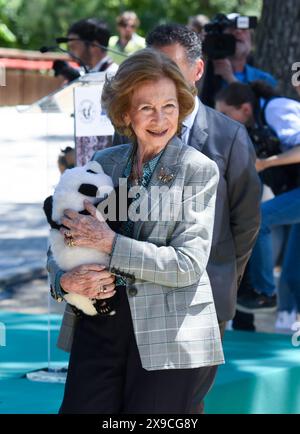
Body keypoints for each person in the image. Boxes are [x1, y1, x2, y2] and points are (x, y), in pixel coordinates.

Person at [47, 48, 224, 414]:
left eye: (169, 106)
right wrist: (65, 281)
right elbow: (59, 239)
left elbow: (187, 264)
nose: (160, 119)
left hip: (168, 335)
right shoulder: (103, 165)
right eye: (147, 108)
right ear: (126, 113)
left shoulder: (198, 170)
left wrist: (109, 243)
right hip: (98, 325)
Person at [145, 24, 261, 406]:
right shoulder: (129, 132)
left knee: (184, 401)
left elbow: (245, 221)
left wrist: (224, 271)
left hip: (206, 292)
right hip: (141, 291)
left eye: (170, 67)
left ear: (197, 71)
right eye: (151, 67)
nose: (159, 79)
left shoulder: (229, 136)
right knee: (144, 399)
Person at [215, 81, 300, 327]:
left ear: (245, 109)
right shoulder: (251, 125)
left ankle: (265, 293)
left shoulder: (276, 109)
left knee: (259, 218)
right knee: (293, 270)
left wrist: (267, 163)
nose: (221, 120)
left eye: (225, 114)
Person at [201, 12, 277, 107]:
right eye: (231, 28)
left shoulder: (264, 79)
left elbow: (260, 110)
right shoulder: (202, 70)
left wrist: (230, 78)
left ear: (252, 42)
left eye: (244, 29)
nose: (238, 32)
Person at [54, 17, 118, 82]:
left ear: (93, 46)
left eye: (74, 47)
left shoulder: (115, 76)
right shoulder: (86, 72)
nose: (70, 53)